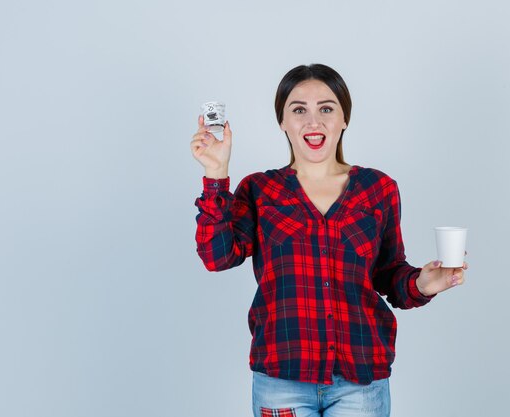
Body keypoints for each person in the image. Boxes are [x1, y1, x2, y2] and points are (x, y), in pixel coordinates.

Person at [190, 64, 468, 417]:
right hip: (281, 380)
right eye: (298, 110)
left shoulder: (378, 189)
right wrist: (216, 174)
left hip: (360, 381)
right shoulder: (260, 190)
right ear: (283, 122)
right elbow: (217, 257)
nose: (313, 122)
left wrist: (424, 283)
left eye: (326, 108)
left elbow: (388, 275)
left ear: (344, 118)